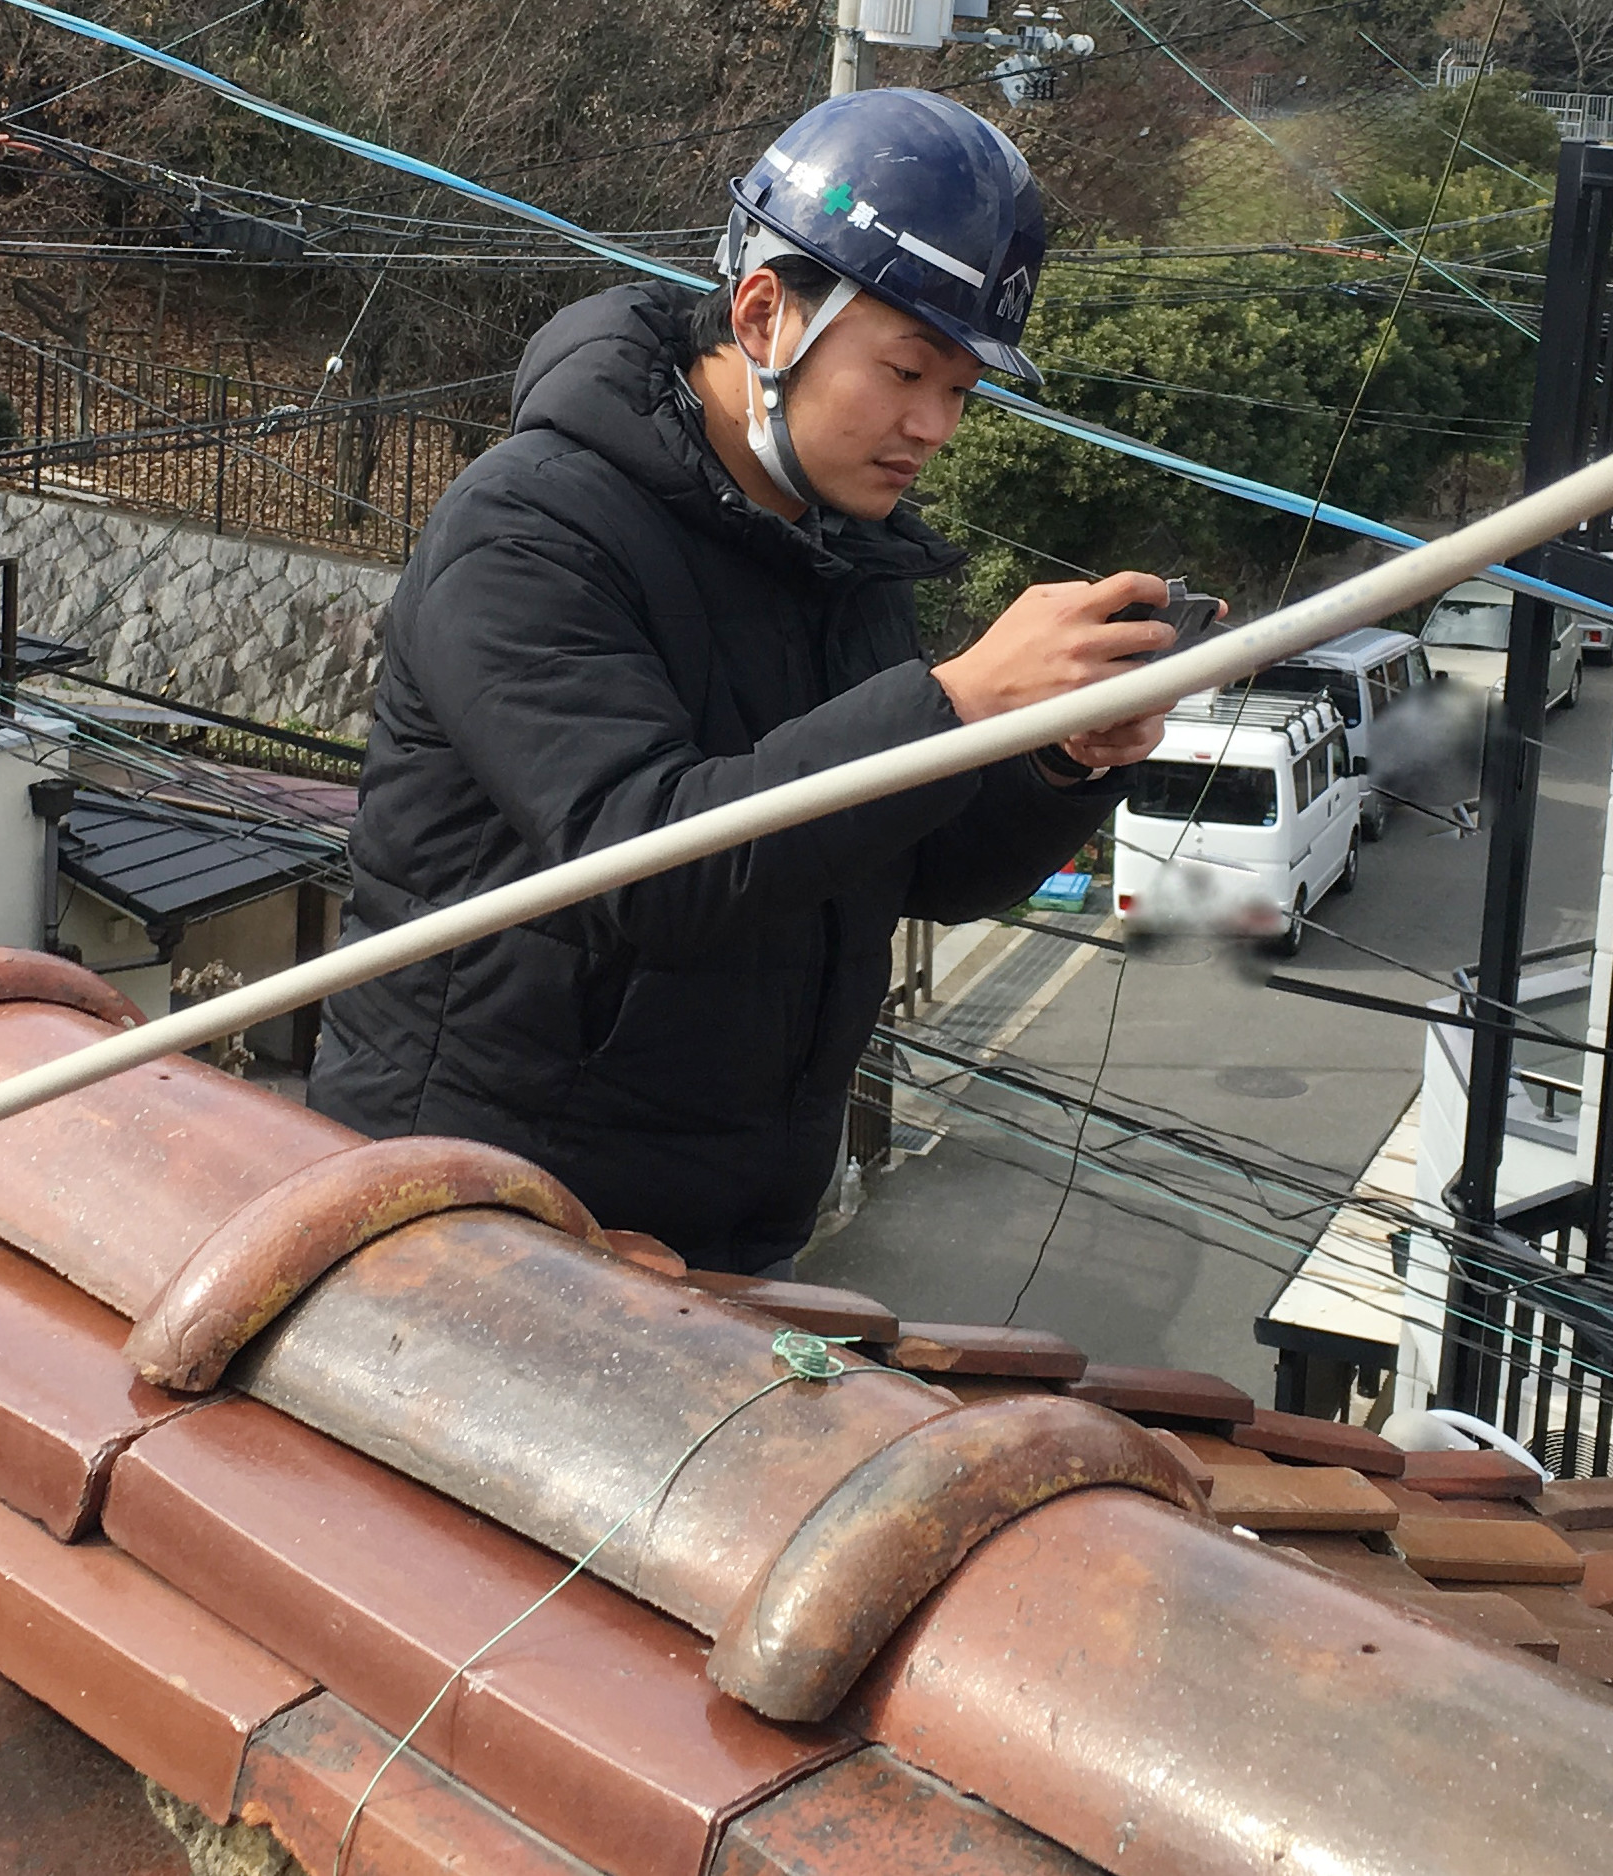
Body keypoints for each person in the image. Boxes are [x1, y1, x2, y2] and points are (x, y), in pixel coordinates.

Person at [310, 87, 1181, 1274]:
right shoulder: (527, 529)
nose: (933, 426)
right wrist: (959, 697)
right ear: (765, 313)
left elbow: (920, 862)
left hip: (725, 1233)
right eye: (907, 371)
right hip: (472, 1214)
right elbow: (648, 863)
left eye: (960, 393)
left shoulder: (839, 545)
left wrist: (1055, 758)